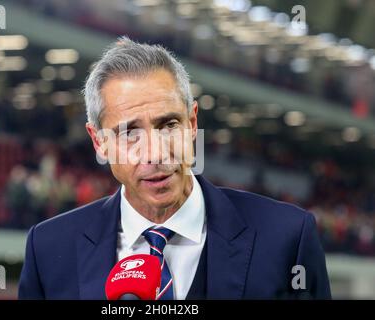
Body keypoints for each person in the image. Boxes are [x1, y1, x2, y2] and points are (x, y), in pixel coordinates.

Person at [19, 37, 331, 299]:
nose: (155, 152)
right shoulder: (48, 250)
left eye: (168, 124)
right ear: (98, 142)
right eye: (130, 133)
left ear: (193, 123)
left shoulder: (287, 238)